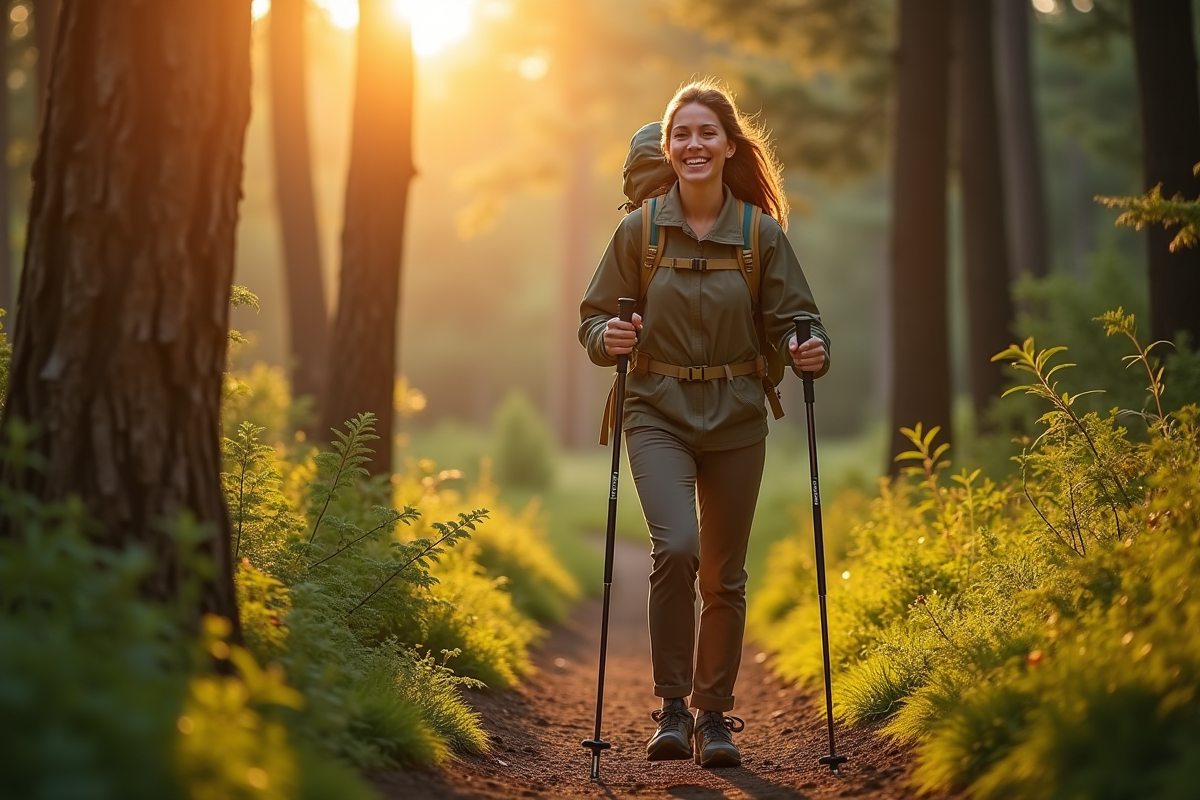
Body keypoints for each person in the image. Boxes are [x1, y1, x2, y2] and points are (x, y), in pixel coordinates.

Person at [577, 78, 831, 770]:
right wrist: (610, 343)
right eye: (681, 134)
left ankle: (714, 716)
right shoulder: (637, 230)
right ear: (669, 147)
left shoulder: (759, 234)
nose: (694, 144)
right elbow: (592, 319)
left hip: (737, 416)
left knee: (723, 574)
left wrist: (809, 353)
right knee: (678, 547)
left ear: (727, 145)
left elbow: (796, 326)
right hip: (654, 409)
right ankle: (670, 708)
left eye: (706, 133)